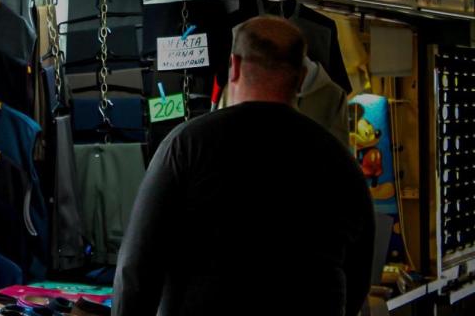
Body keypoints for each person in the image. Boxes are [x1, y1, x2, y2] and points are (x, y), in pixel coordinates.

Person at [113, 17, 375, 316]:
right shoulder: (340, 162)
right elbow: (358, 278)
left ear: (234, 66)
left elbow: (137, 267)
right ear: (302, 78)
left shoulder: (186, 145)